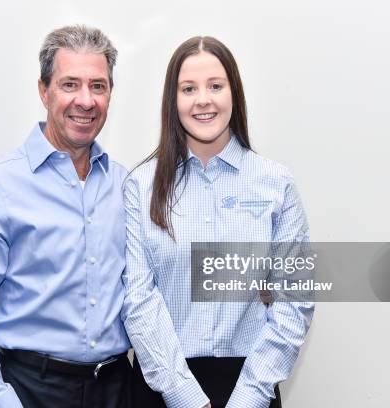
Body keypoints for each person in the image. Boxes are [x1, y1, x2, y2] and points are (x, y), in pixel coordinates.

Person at [0, 25, 132, 408]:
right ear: (44, 91)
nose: (85, 101)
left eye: (98, 86)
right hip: (30, 391)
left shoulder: (126, 186)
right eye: (70, 84)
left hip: (117, 390)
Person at [121, 36, 314, 408]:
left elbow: (296, 299)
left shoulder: (277, 184)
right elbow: (138, 299)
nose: (203, 99)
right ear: (172, 101)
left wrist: (249, 396)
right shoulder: (140, 186)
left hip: (249, 384)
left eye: (215, 86)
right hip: (163, 386)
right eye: (188, 88)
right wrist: (185, 395)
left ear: (233, 94)